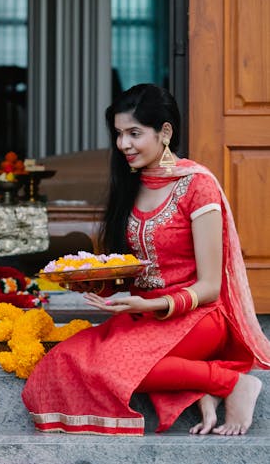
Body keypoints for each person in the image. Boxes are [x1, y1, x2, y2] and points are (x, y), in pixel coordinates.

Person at [23, 84, 269, 437]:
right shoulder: (132, 184)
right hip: (141, 316)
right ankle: (197, 384)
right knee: (64, 359)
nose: (124, 144)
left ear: (165, 132)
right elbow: (134, 268)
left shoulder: (197, 185)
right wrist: (96, 283)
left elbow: (212, 287)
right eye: (119, 134)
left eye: (134, 133)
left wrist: (153, 305)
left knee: (118, 366)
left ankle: (232, 383)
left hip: (197, 316)